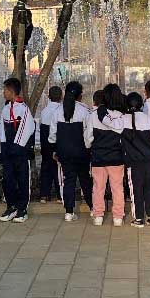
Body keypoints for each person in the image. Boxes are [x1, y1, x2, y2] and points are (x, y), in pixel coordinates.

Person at [86, 84, 127, 226]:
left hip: (98, 157)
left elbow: (88, 137)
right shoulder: (121, 116)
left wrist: (90, 147)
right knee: (117, 187)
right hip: (116, 157)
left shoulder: (94, 116)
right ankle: (118, 217)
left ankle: (98, 215)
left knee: (98, 187)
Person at [0, 78, 34, 223]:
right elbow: (2, 130)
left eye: (5, 90)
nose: (3, 92)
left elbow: (27, 128)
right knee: (8, 180)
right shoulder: (5, 109)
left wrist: (17, 146)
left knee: (23, 179)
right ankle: (11, 206)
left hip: (20, 151)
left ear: (12, 91)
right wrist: (2, 149)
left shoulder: (23, 108)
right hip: (7, 151)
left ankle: (22, 209)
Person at [53, 82, 92, 222]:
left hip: (64, 152)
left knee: (68, 181)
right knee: (85, 180)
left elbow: (52, 135)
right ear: (80, 95)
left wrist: (56, 150)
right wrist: (88, 148)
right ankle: (93, 208)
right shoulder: (85, 111)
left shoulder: (57, 111)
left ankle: (69, 212)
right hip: (81, 152)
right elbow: (89, 133)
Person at [122, 92, 150, 228]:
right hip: (148, 160)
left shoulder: (124, 119)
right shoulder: (147, 119)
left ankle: (138, 218)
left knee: (135, 190)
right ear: (141, 105)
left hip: (133, 162)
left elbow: (121, 142)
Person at [38, 86, 63, 203]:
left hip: (45, 143)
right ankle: (59, 195)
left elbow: (41, 128)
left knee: (46, 167)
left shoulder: (44, 112)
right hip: (58, 141)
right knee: (59, 167)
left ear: (49, 96)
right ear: (61, 97)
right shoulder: (61, 111)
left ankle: (44, 195)